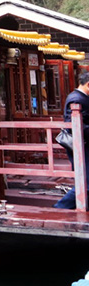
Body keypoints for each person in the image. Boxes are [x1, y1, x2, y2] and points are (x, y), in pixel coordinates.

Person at [54, 71, 89, 209]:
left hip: (84, 144)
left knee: (85, 181)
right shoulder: (76, 99)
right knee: (85, 182)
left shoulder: (81, 97)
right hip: (81, 145)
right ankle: (60, 208)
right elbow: (75, 127)